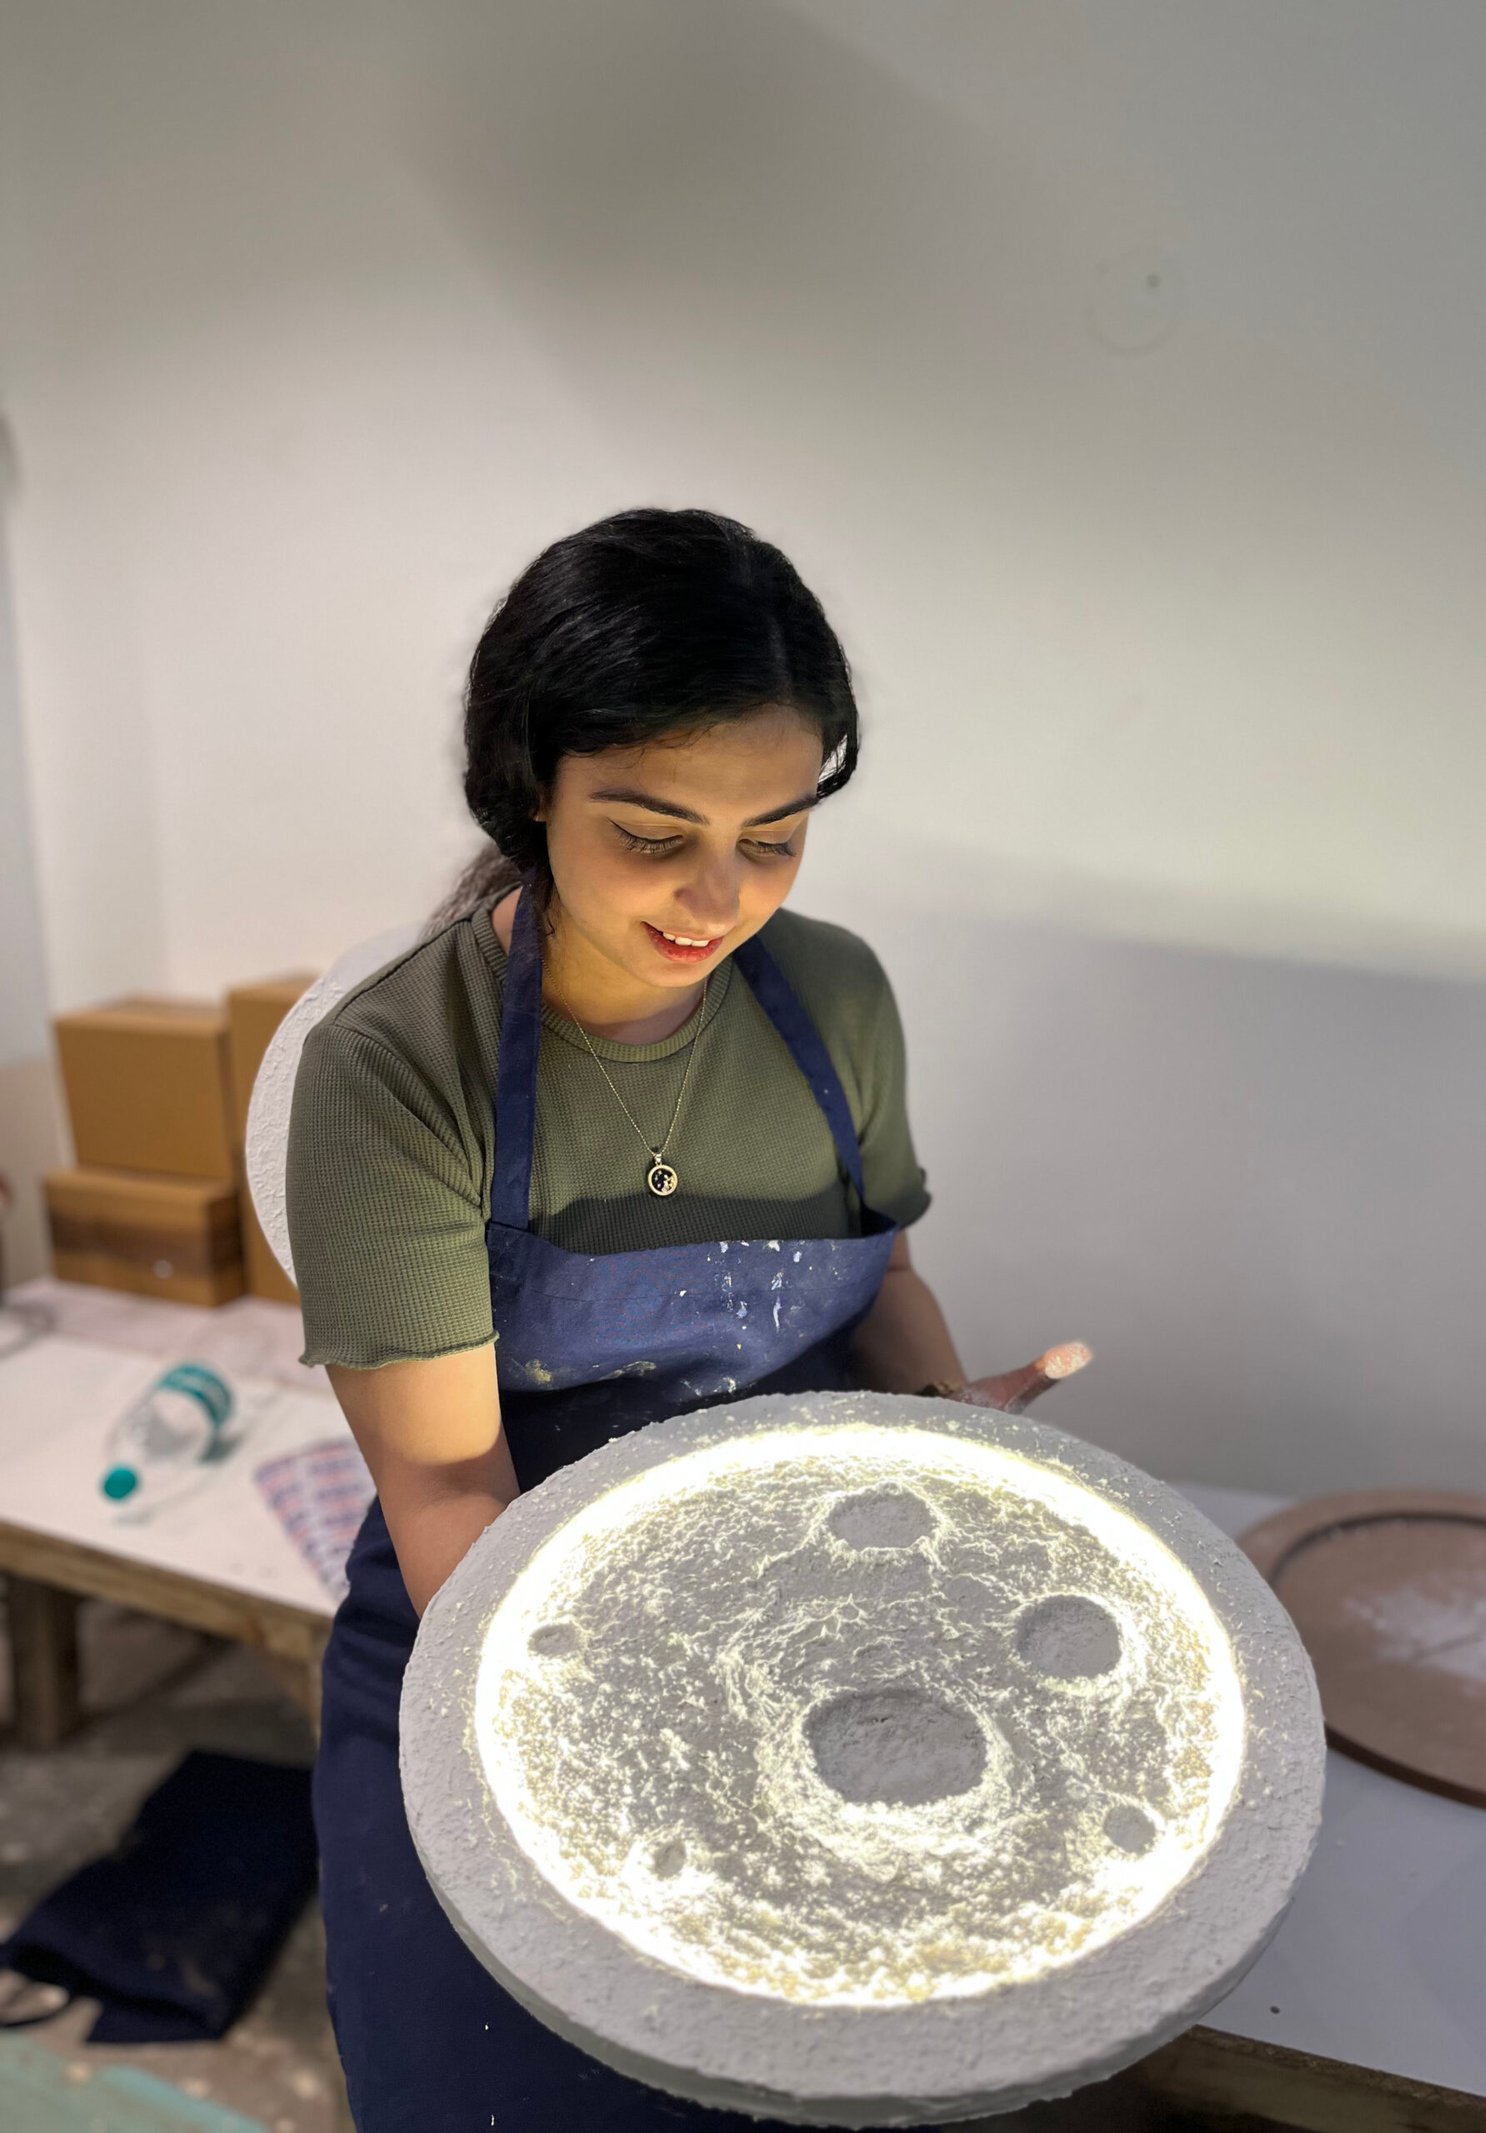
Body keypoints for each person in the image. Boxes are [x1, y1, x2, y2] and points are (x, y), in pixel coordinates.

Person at [285, 505, 1092, 2131]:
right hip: (503, 1620)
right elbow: (448, 1494)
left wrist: (941, 1448)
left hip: (811, 1566)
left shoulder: (835, 999)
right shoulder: (396, 1066)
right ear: (530, 787)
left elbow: (889, 1289)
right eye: (653, 832)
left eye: (774, 834)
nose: (717, 897)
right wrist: (650, 1728)